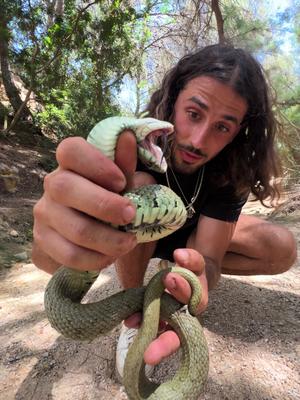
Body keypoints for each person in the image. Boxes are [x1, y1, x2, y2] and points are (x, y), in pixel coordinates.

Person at [32, 44, 297, 376]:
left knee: (282, 248)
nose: (199, 140)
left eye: (222, 127)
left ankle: (169, 277)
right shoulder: (136, 145)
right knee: (138, 186)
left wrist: (199, 276)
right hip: (140, 233)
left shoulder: (233, 169)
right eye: (194, 113)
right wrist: (49, 239)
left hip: (189, 237)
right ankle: (136, 311)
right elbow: (47, 260)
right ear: (173, 103)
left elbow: (210, 260)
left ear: (237, 134)